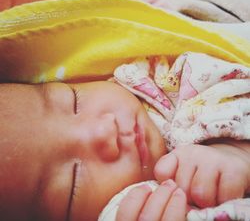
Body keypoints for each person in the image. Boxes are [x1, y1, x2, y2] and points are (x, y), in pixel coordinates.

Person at [1, 77, 250, 221]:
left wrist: (235, 151)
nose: (105, 132)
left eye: (72, 100)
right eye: (72, 181)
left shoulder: (158, 78)